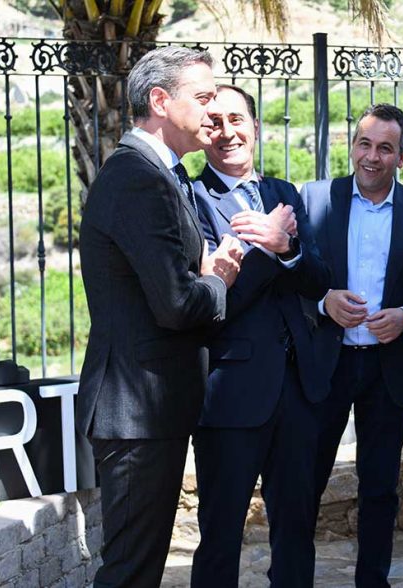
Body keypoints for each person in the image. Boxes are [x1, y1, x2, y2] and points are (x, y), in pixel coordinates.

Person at [75, 47, 244, 588]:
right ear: (160, 101)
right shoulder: (139, 177)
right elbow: (176, 304)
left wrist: (202, 274)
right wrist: (219, 279)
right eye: (203, 96)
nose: (214, 110)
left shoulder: (160, 173)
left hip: (150, 413)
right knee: (130, 573)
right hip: (136, 414)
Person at [189, 84, 332, 587]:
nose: (227, 132)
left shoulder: (283, 193)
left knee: (296, 529)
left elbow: (318, 279)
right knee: (221, 532)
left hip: (298, 388)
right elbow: (215, 302)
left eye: (236, 120)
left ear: (255, 126)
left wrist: (288, 248)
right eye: (214, 122)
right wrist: (271, 250)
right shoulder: (191, 199)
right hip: (232, 393)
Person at [301, 104, 403, 588]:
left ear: (402, 157)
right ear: (352, 146)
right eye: (365, 144)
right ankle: (290, 577)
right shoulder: (315, 199)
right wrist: (324, 302)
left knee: (380, 488)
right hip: (326, 365)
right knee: (304, 482)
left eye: (385, 148)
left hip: (388, 368)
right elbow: (289, 280)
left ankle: (372, 582)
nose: (372, 156)